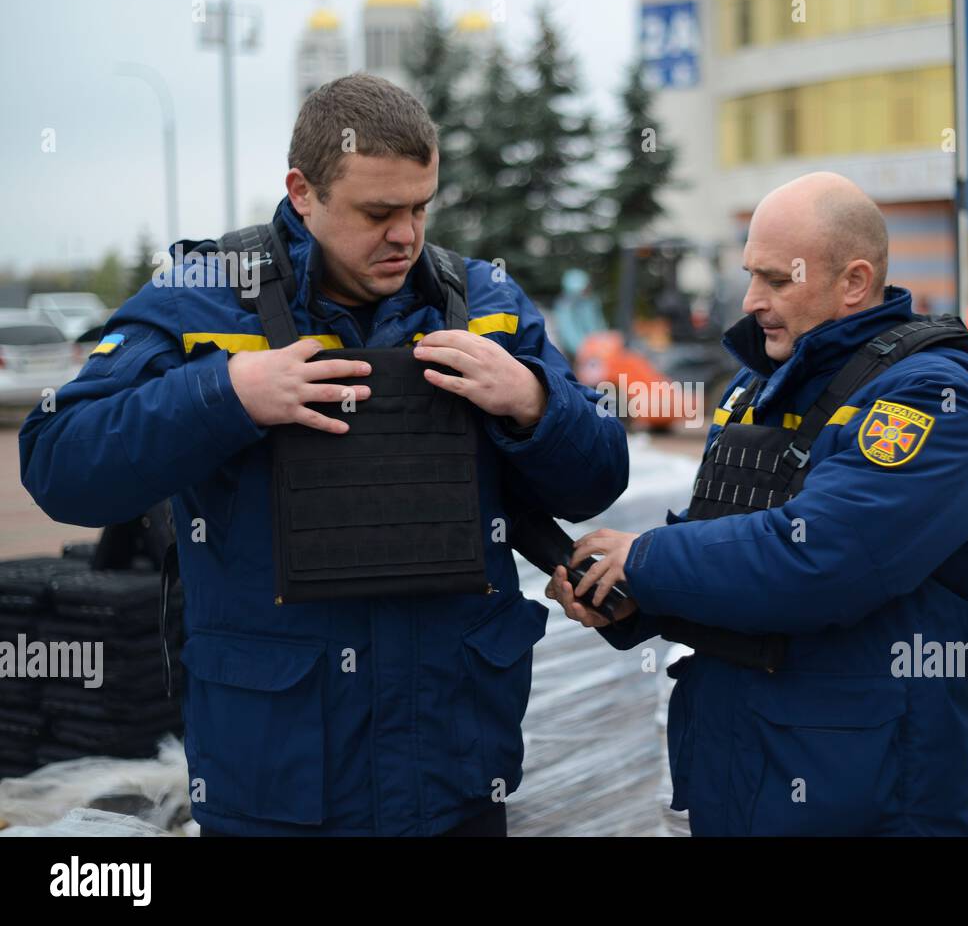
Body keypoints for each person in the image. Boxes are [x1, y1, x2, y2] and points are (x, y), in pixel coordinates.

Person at [20, 73, 629, 837]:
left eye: (420, 206)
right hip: (275, 787)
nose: (406, 235)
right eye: (379, 212)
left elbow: (600, 474)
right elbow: (58, 461)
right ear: (303, 191)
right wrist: (227, 393)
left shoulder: (487, 304)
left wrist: (535, 401)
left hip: (455, 775)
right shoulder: (204, 299)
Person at [546, 172, 968, 836]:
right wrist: (632, 599)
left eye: (775, 279)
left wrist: (647, 561)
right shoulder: (760, 384)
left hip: (866, 801)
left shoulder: (929, 399)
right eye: (750, 275)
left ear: (853, 282)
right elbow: (723, 534)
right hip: (741, 781)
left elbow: (819, 556)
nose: (751, 300)